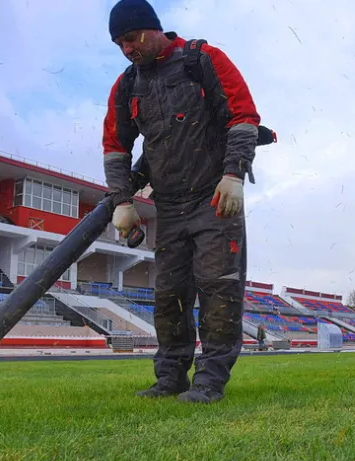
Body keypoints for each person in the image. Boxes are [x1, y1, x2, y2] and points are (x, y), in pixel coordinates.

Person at [102, 0, 261, 404]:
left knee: (218, 291)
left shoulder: (202, 59)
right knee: (168, 296)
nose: (127, 49)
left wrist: (233, 174)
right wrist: (123, 201)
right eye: (119, 43)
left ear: (155, 29)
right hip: (170, 206)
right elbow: (115, 147)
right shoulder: (126, 86)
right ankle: (171, 377)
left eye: (132, 38)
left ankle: (210, 381)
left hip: (215, 198)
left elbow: (242, 116)